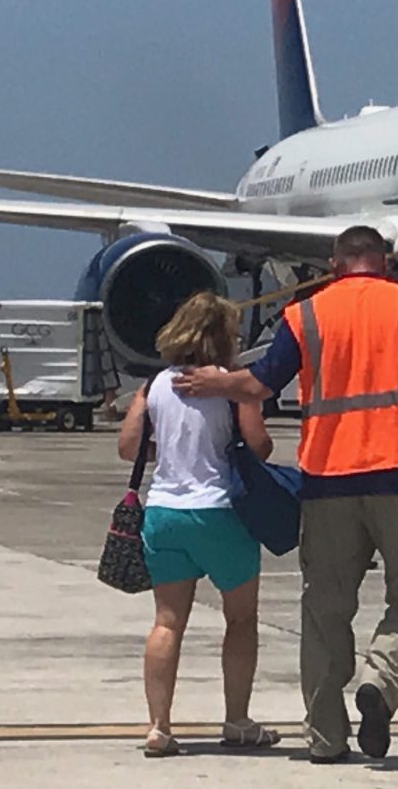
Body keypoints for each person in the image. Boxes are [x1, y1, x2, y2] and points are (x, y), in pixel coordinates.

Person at [174, 226, 398, 764]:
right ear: (385, 261)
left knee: (324, 614)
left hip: (328, 483)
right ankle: (379, 683)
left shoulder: (305, 314)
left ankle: (326, 739)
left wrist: (212, 383)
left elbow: (260, 384)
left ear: (335, 264)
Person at [116, 292, 279, 758]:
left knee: (167, 622)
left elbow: (128, 446)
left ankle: (159, 727)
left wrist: (168, 452)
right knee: (241, 618)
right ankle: (237, 720)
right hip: (221, 511)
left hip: (165, 513)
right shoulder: (229, 384)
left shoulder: (155, 385)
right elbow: (260, 445)